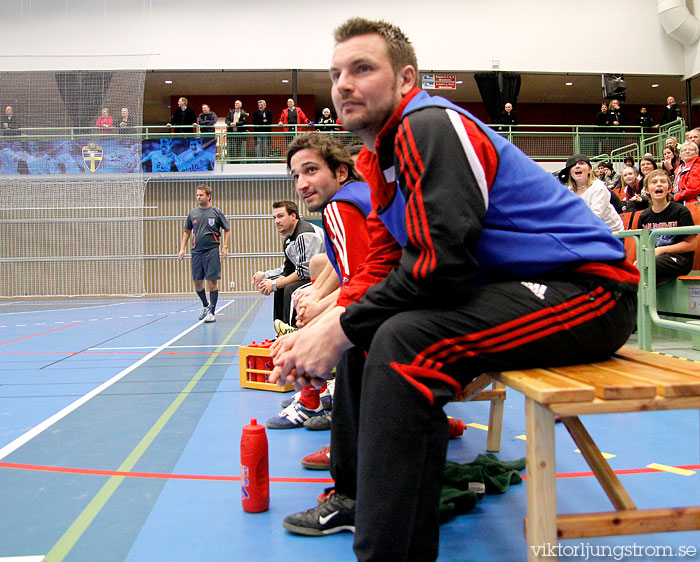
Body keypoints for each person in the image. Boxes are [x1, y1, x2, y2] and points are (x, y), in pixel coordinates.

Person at [269, 17, 638, 561]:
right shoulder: (377, 163)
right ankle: (355, 496)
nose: (343, 83)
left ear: (405, 79)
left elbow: (442, 267)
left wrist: (341, 327)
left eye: (363, 68)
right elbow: (378, 273)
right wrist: (323, 329)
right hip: (523, 287)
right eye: (336, 73)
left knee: (403, 342)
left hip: (589, 293)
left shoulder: (429, 124)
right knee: (371, 334)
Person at [265, 133, 372, 431]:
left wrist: (317, 323)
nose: (301, 184)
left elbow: (361, 288)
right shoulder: (352, 198)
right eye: (296, 175)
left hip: (404, 317)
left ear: (340, 172)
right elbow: (342, 265)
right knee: (313, 281)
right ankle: (324, 394)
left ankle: (321, 403)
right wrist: (317, 297)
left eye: (311, 171)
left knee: (340, 328)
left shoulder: (342, 206)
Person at [252, 201, 325, 326]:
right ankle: (281, 332)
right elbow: (288, 270)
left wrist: (274, 283)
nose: (276, 221)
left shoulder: (304, 234)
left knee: (290, 289)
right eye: (274, 218)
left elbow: (304, 272)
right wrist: (266, 277)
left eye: (280, 216)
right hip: (309, 276)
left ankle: (293, 331)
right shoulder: (288, 240)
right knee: (280, 289)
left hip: (323, 278)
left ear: (293, 216)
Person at [178, 184, 230, 323]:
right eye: (197, 195)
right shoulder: (193, 213)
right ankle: (205, 305)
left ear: (208, 196)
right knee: (197, 282)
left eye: (201, 195)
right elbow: (187, 231)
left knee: (211, 282)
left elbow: (227, 229)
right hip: (196, 252)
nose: (198, 197)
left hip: (212, 251)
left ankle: (212, 312)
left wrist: (224, 247)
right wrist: (182, 248)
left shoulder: (216, 212)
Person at [638, 169, 696, 286]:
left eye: (663, 181)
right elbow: (643, 245)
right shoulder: (644, 216)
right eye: (654, 182)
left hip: (680, 260)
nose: (659, 184)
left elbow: (692, 244)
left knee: (649, 263)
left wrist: (661, 250)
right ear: (646, 190)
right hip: (655, 258)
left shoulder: (680, 211)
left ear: (669, 189)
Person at [565, 154, 624, 232]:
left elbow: (594, 218)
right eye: (573, 165)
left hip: (612, 234)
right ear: (569, 172)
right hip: (586, 232)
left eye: (581, 163)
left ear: (590, 170)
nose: (577, 166)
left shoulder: (598, 187)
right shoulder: (569, 191)